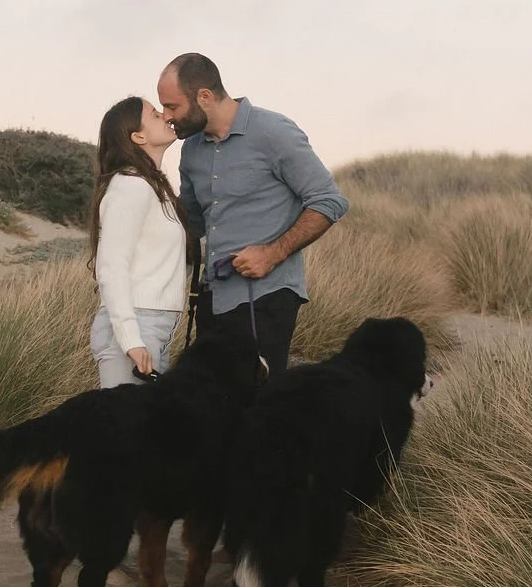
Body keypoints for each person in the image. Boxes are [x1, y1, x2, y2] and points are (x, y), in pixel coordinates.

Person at [158, 53, 347, 374]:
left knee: (257, 409)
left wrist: (273, 253)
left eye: (172, 106)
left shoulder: (274, 131)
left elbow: (329, 200)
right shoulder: (191, 149)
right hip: (211, 299)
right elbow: (188, 225)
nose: (166, 116)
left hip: (267, 297)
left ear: (204, 96)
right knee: (212, 408)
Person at [87, 95, 191, 388]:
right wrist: (131, 339)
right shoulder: (131, 186)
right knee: (124, 430)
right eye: (155, 114)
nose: (166, 116)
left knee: (139, 431)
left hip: (154, 326)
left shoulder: (155, 188)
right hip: (135, 325)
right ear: (138, 136)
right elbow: (111, 266)